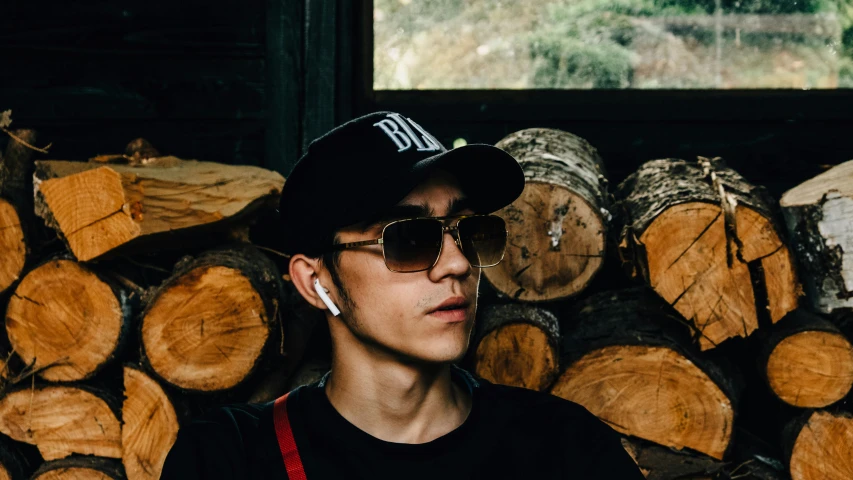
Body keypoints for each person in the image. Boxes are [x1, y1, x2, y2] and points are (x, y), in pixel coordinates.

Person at [160, 111, 644, 479]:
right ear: (316, 282)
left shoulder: (563, 451)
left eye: (469, 231)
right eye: (409, 240)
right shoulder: (230, 459)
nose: (456, 264)